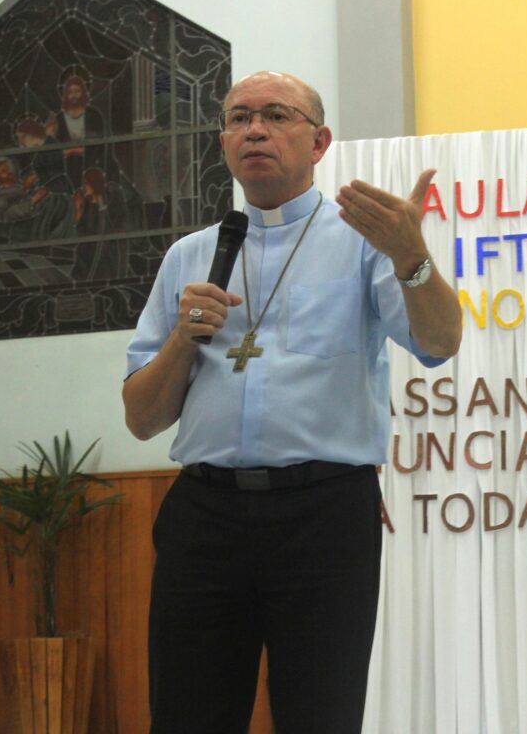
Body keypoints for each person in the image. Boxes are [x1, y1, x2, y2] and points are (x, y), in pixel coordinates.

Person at [122, 71, 462, 734]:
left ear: (319, 141)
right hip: (205, 516)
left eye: (276, 115)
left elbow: (440, 343)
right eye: (239, 118)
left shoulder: (365, 243)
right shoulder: (189, 256)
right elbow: (141, 419)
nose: (255, 129)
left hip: (324, 515)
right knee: (186, 716)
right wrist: (183, 339)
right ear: (223, 142)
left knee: (320, 716)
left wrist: (412, 258)